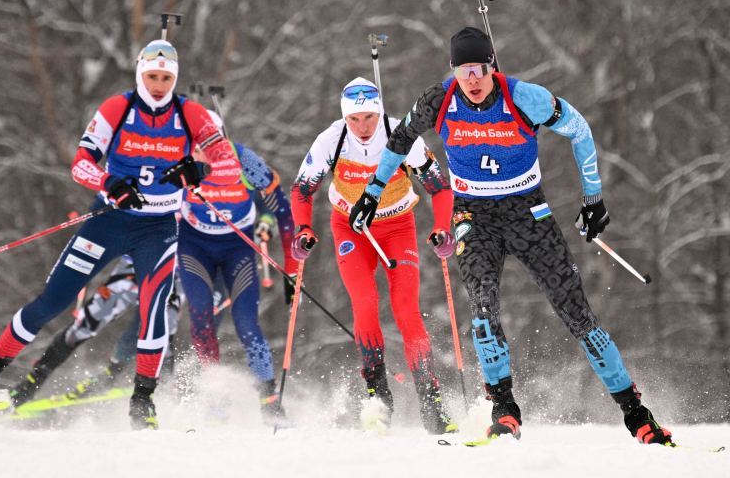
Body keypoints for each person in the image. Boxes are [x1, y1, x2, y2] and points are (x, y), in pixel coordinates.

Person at [349, 27, 672, 445]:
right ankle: (504, 410)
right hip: (473, 216)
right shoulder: (438, 99)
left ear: (492, 67)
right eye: (465, 71)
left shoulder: (524, 97)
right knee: (482, 307)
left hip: (527, 213)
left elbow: (580, 130)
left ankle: (637, 414)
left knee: (576, 312)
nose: (474, 79)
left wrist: (593, 199)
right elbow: (400, 139)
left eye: (481, 70)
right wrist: (373, 192)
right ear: (454, 71)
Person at [0, 39, 242, 430]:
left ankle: (142, 400)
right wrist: (109, 181)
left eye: (166, 78)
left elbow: (229, 166)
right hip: (110, 220)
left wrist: (199, 171)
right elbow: (81, 164)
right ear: (140, 73)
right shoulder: (117, 108)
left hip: (159, 228)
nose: (158, 84)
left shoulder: (191, 114)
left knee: (155, 312)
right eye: (152, 76)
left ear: (175, 78)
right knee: (52, 300)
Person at [290, 77, 457, 434]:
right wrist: (304, 230)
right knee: (364, 302)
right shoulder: (330, 140)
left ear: (379, 113)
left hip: (397, 227)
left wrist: (443, 227)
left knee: (406, 311)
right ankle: (377, 397)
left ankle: (432, 403)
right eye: (354, 120)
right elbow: (302, 191)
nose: (362, 127)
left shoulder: (401, 135)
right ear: (344, 118)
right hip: (351, 229)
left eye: (368, 118)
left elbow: (440, 187)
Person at [178, 110, 298, 426]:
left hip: (238, 248)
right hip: (195, 247)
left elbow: (281, 207)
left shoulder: (244, 160)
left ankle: (269, 401)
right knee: (201, 315)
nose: (206, 152)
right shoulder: (182, 160)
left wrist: (291, 266)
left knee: (246, 322)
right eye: (198, 145)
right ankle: (216, 399)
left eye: (213, 144)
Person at [8, 256, 184, 407]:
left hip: (172, 274)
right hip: (132, 269)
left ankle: (160, 389)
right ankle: (30, 385)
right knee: (84, 325)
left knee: (159, 331)